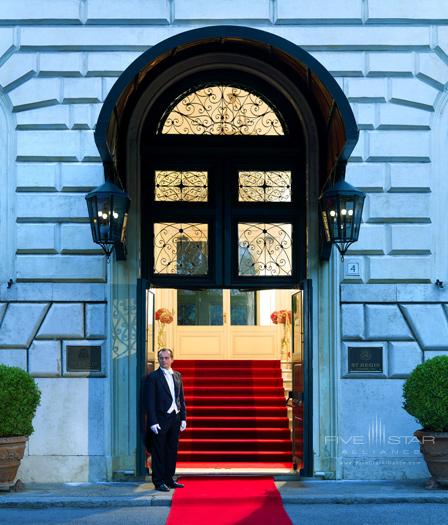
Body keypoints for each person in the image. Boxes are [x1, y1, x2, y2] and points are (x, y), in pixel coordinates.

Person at [143, 347, 187, 492]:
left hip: (175, 418)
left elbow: (181, 398)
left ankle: (169, 479)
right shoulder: (153, 377)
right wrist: (153, 422)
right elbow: (149, 401)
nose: (164, 360)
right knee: (159, 452)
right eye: (161, 358)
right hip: (160, 420)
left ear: (172, 359)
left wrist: (183, 418)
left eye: (166, 358)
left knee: (171, 450)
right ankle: (159, 481)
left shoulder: (177, 375)